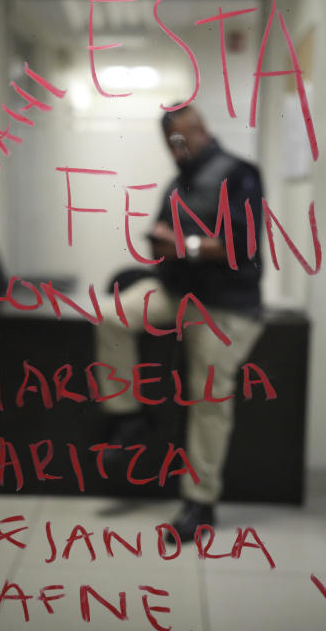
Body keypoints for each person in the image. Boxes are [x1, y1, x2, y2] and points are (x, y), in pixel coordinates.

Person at [95, 104, 264, 539]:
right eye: (169, 140)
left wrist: (184, 246)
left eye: (182, 136)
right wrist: (160, 244)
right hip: (175, 292)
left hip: (225, 302)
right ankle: (128, 416)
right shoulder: (177, 183)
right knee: (110, 315)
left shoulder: (239, 174)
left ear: (203, 129)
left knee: (208, 396)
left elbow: (238, 247)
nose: (176, 147)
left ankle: (200, 502)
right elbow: (164, 239)